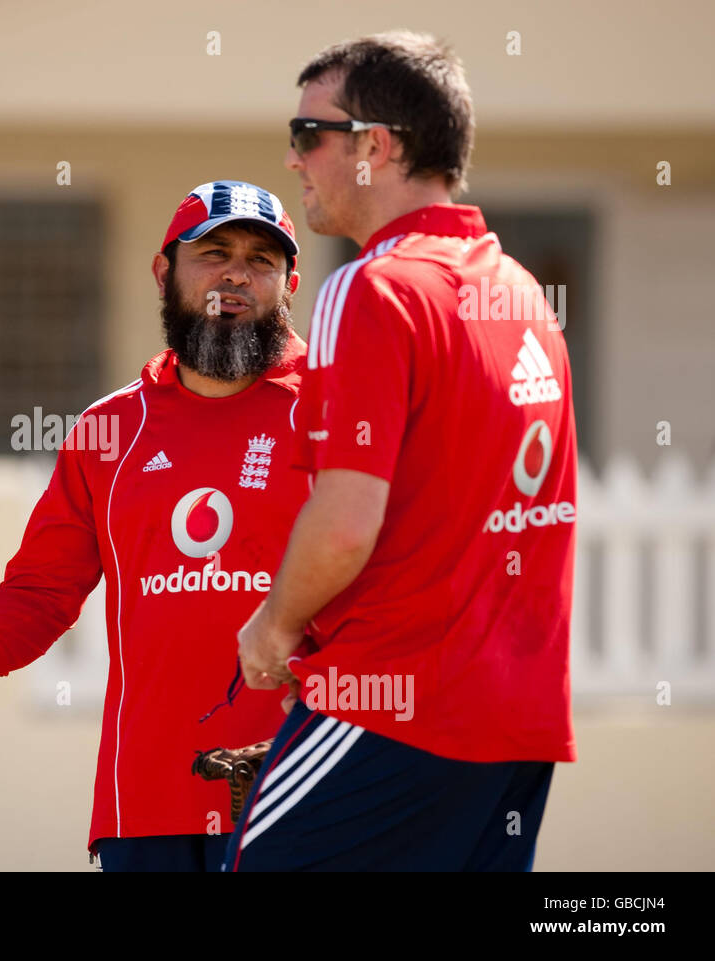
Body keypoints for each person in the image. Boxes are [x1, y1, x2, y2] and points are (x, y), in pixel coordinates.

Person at [229, 31, 577, 871]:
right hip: (514, 725)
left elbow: (346, 523)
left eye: (309, 133)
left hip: (390, 708)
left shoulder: (373, 285)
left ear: (375, 146)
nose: (292, 156)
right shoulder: (519, 290)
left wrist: (272, 629)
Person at [0, 181, 310, 871]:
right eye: (214, 252)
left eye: (260, 260)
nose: (235, 273)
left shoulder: (336, 412)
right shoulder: (109, 430)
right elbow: (45, 586)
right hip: (146, 804)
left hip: (302, 787)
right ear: (164, 272)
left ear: (290, 284)